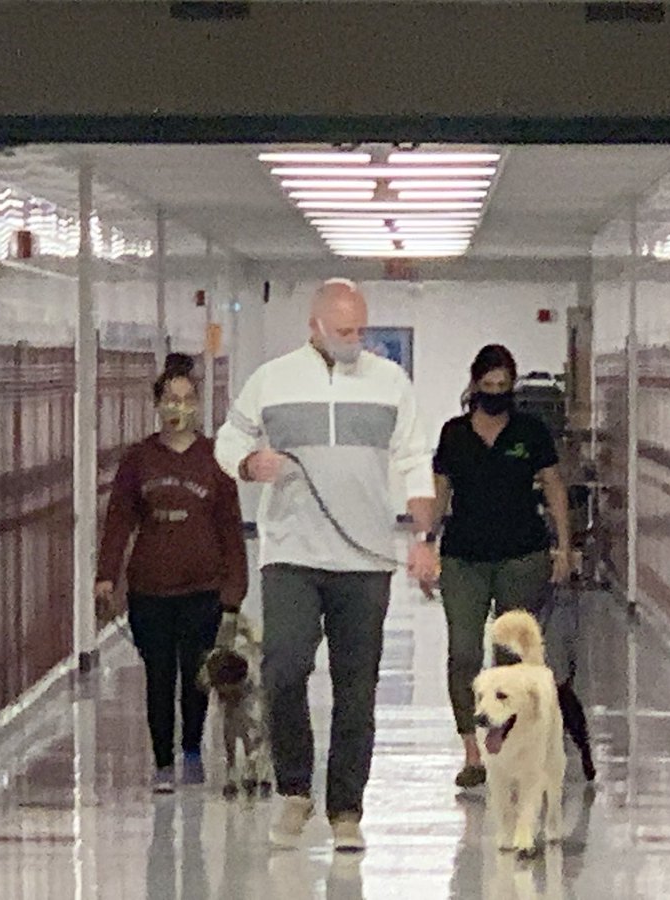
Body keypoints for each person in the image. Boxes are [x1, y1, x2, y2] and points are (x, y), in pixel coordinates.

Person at [215, 278, 439, 853]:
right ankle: (295, 790)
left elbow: (415, 459)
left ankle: (346, 807)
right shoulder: (273, 378)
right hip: (291, 553)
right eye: (344, 331)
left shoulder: (390, 383)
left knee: (356, 688)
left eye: (360, 329)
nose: (355, 340)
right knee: (285, 669)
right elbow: (227, 438)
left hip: (365, 561)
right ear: (314, 326)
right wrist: (248, 463)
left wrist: (423, 536)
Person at [430, 344, 594, 788]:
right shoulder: (454, 434)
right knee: (464, 652)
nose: (496, 394)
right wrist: (426, 545)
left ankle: (508, 747)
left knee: (511, 660)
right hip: (463, 557)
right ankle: (471, 751)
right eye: (488, 387)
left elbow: (555, 488)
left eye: (503, 387)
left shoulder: (530, 431)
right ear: (474, 385)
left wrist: (563, 546)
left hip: (522, 555)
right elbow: (440, 494)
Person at [95, 353, 249, 795]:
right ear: (158, 404)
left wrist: (233, 591)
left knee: (195, 673)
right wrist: (107, 575)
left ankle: (192, 749)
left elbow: (229, 528)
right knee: (159, 674)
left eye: (186, 399)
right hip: (150, 587)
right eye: (170, 399)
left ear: (198, 405)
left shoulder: (214, 459)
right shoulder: (138, 459)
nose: (177, 408)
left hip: (202, 587)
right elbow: (119, 520)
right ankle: (162, 759)